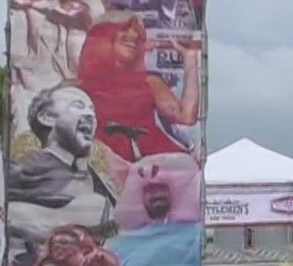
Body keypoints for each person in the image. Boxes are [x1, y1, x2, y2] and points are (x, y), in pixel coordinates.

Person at [6, 84, 116, 266]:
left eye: (92, 110)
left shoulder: (93, 174)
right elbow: (6, 214)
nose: (90, 115)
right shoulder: (28, 169)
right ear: (47, 117)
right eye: (78, 105)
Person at [76, 13, 202, 161]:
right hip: (103, 162)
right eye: (124, 30)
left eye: (137, 35)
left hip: (150, 159)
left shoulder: (150, 81)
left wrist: (189, 57)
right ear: (102, 37)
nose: (133, 36)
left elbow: (186, 116)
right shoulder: (77, 89)